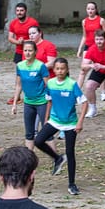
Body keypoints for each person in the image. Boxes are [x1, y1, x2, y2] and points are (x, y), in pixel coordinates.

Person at [34, 58, 87, 195]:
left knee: (70, 152)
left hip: (70, 123)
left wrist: (80, 122)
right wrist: (45, 119)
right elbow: (49, 102)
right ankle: (57, 158)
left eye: (62, 68)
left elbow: (84, 103)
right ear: (54, 70)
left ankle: (72, 184)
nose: (59, 71)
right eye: (57, 68)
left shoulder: (72, 84)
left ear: (67, 69)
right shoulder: (50, 83)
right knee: (38, 140)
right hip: (54, 120)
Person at [12, 40, 53, 151]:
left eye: (30, 50)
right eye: (25, 50)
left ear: (35, 52)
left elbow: (48, 85)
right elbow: (18, 85)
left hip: (42, 102)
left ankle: (56, 158)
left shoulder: (40, 66)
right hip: (28, 103)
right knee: (29, 133)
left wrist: (51, 102)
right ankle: (29, 160)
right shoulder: (20, 66)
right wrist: (15, 103)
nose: (27, 53)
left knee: (47, 131)